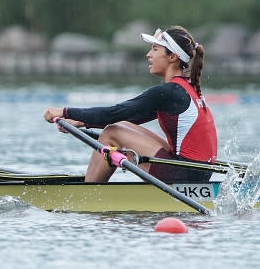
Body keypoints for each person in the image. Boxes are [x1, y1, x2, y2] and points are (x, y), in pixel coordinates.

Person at [44, 25, 217, 183]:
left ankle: (89, 194)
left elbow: (113, 113)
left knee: (112, 132)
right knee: (121, 126)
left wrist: (65, 111)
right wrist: (80, 122)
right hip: (197, 171)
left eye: (155, 49)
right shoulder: (186, 88)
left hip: (185, 174)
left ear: (172, 57)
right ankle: (95, 182)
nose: (148, 54)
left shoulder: (168, 91)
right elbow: (131, 116)